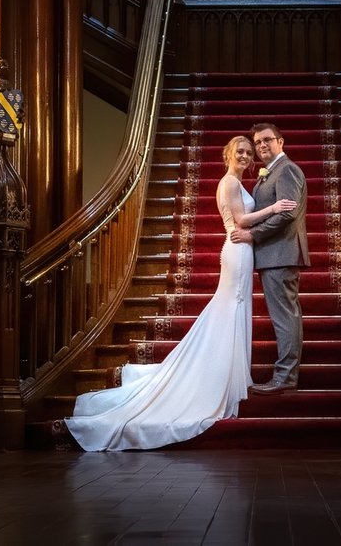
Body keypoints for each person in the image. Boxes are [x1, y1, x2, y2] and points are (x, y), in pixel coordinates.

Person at [62, 135, 296, 451]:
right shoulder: (228, 182)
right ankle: (219, 380)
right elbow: (240, 220)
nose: (244, 156)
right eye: (239, 151)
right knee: (230, 310)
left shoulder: (236, 182)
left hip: (242, 252)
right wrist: (274, 208)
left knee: (232, 311)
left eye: (248, 153)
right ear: (228, 154)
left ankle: (231, 376)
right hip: (238, 251)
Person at [230, 122, 309, 395]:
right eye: (258, 143)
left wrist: (253, 235)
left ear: (281, 141)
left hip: (280, 253)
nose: (262, 146)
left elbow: (287, 213)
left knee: (285, 318)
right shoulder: (270, 171)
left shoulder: (286, 169)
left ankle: (285, 378)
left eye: (267, 140)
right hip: (273, 255)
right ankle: (286, 375)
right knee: (285, 316)